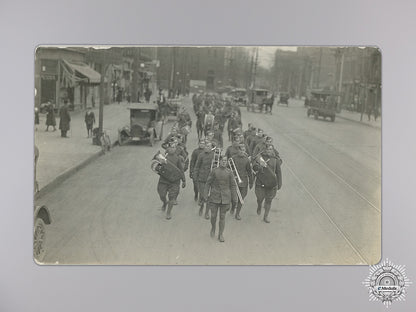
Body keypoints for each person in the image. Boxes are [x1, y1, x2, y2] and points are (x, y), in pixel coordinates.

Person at [204, 155, 237, 242]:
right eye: (222, 160)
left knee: (222, 217)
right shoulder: (214, 171)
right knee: (213, 216)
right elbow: (208, 183)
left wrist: (234, 198)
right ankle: (213, 227)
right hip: (215, 196)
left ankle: (220, 234)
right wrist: (205, 194)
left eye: (225, 161)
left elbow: (233, 185)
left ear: (227, 162)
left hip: (225, 197)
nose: (224, 162)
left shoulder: (229, 172)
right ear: (219, 161)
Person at [252, 145, 282, 223]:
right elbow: (254, 167)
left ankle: (265, 216)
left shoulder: (275, 160)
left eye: (271, 149)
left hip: (271, 183)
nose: (269, 150)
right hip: (260, 182)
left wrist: (279, 183)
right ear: (264, 150)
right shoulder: (259, 158)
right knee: (260, 198)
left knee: (269, 200)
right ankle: (259, 205)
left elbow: (278, 172)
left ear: (272, 150)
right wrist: (258, 166)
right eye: (267, 149)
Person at [156, 143, 186, 220]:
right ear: (167, 148)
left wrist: (183, 180)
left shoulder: (178, 158)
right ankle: (164, 203)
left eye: (173, 147)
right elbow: (157, 167)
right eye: (170, 147)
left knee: (172, 197)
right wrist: (158, 167)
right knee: (162, 195)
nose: (172, 149)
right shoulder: (163, 157)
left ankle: (168, 212)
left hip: (174, 181)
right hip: (163, 180)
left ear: (175, 149)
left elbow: (181, 170)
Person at [230, 144, 253, 220]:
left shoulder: (246, 159)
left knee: (241, 198)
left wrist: (251, 182)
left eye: (243, 150)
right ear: (238, 150)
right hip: (234, 181)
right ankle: (233, 206)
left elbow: (249, 172)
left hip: (243, 181)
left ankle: (237, 213)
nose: (242, 152)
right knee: (234, 198)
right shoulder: (233, 158)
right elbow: (228, 169)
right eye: (240, 150)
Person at [193, 141, 215, 219]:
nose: (206, 147)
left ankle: (206, 212)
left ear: (211, 148)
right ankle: (202, 206)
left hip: (211, 179)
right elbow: (197, 167)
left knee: (209, 197)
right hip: (201, 178)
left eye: (208, 146)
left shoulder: (214, 155)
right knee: (203, 195)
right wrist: (195, 176)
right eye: (206, 146)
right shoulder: (201, 155)